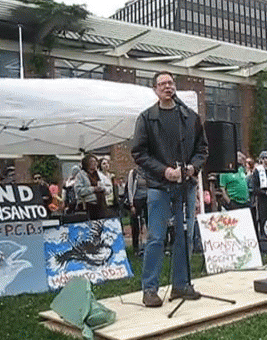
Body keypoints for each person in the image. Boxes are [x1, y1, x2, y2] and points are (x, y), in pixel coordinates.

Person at [131, 71, 208, 307]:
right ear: (155, 89)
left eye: (170, 82)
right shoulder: (146, 118)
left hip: (185, 186)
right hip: (159, 186)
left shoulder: (190, 116)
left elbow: (202, 149)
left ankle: (181, 285)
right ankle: (150, 289)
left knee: (185, 236)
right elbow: (139, 153)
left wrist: (192, 169)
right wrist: (164, 171)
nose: (167, 86)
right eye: (162, 84)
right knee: (156, 237)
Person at [74, 154, 112, 220]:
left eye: (95, 161)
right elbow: (78, 190)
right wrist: (93, 189)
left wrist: (103, 189)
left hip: (101, 204)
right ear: (86, 163)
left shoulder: (100, 175)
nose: (94, 163)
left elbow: (109, 187)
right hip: (88, 205)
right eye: (91, 161)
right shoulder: (80, 175)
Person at [126, 167, 148, 255]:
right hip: (136, 200)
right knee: (136, 224)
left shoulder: (148, 171)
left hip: (147, 200)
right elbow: (130, 188)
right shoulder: (134, 173)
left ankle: (148, 246)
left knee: (148, 222)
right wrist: (131, 204)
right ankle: (136, 246)